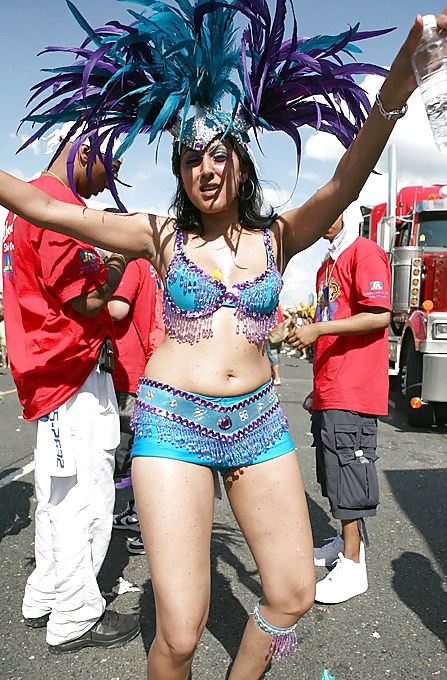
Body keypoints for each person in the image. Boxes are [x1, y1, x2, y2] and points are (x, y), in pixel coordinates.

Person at [0, 3, 444, 678]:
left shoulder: (281, 237)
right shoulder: (160, 236)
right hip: (172, 424)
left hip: (259, 424)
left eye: (218, 154)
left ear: (238, 163)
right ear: (179, 174)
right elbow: (44, 206)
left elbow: (346, 177)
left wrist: (397, 87)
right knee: (179, 634)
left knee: (292, 595)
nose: (206, 169)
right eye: (190, 160)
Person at [1, 132, 140, 652]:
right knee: (86, 497)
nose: (108, 186)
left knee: (56, 496)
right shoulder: (61, 210)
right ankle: (76, 612)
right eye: (110, 170)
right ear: (88, 151)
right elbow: (87, 301)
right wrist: (120, 264)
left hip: (46, 374)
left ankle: (44, 594)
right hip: (73, 374)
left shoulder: (24, 208)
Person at [289, 207, 391, 605]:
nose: (318, 218)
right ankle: (343, 543)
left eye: (328, 208)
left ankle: (354, 564)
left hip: (355, 384)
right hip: (332, 383)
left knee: (349, 471)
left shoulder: (364, 252)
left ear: (345, 210)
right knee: (331, 470)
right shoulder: (326, 263)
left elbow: (379, 315)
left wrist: (317, 329)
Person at [108, 251, 165, 556]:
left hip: (125, 371)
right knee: (140, 453)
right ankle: (137, 515)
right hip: (145, 369)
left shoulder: (128, 264)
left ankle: (149, 526)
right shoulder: (150, 266)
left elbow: (116, 308)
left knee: (125, 459)